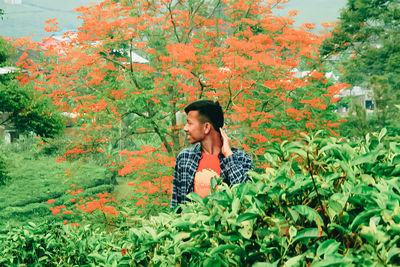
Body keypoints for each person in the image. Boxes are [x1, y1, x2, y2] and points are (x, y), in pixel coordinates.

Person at [170, 100, 253, 210]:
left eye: (189, 123)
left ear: (206, 127)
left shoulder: (241, 158)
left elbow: (248, 197)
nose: (185, 128)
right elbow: (176, 203)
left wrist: (229, 155)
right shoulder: (185, 158)